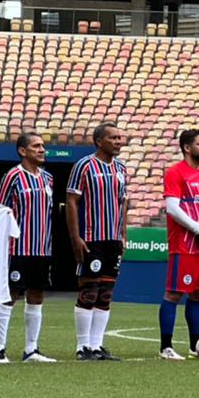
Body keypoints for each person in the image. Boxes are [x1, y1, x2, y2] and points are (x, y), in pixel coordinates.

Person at [66, 123, 129, 362]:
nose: (118, 141)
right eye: (113, 137)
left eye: (120, 137)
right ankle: (83, 346)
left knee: (106, 293)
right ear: (99, 141)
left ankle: (97, 345)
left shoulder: (122, 168)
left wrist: (124, 234)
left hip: (113, 239)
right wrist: (75, 237)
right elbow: (71, 201)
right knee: (89, 291)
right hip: (92, 238)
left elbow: (123, 202)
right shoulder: (84, 166)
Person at [0, 132, 57, 363]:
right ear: (22, 151)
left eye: (43, 146)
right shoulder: (13, 176)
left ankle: (31, 349)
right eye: (36, 146)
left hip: (42, 248)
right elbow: (0, 212)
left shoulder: (47, 179)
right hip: (17, 248)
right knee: (10, 294)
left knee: (37, 295)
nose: (42, 150)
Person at [158, 129, 199, 361]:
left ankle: (196, 345)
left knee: (198, 294)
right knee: (174, 294)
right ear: (186, 147)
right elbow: (173, 208)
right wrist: (198, 229)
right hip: (184, 245)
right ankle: (165, 347)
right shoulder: (175, 173)